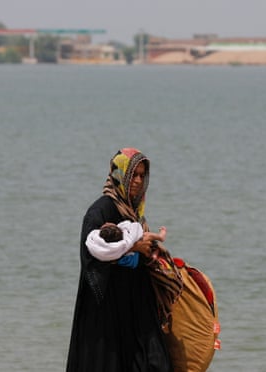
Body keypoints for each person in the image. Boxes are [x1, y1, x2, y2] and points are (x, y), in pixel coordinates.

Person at [66, 148, 180, 372]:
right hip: (107, 309)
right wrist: (134, 247)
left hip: (136, 303)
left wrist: (148, 253)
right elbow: (91, 253)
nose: (137, 181)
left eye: (141, 175)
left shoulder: (134, 212)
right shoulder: (100, 211)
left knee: (156, 363)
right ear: (119, 175)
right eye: (133, 175)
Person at [85, 220, 168, 267]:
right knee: (145, 236)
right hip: (134, 260)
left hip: (123, 262)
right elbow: (134, 231)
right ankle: (160, 236)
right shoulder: (124, 244)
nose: (106, 223)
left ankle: (151, 256)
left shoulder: (104, 249)